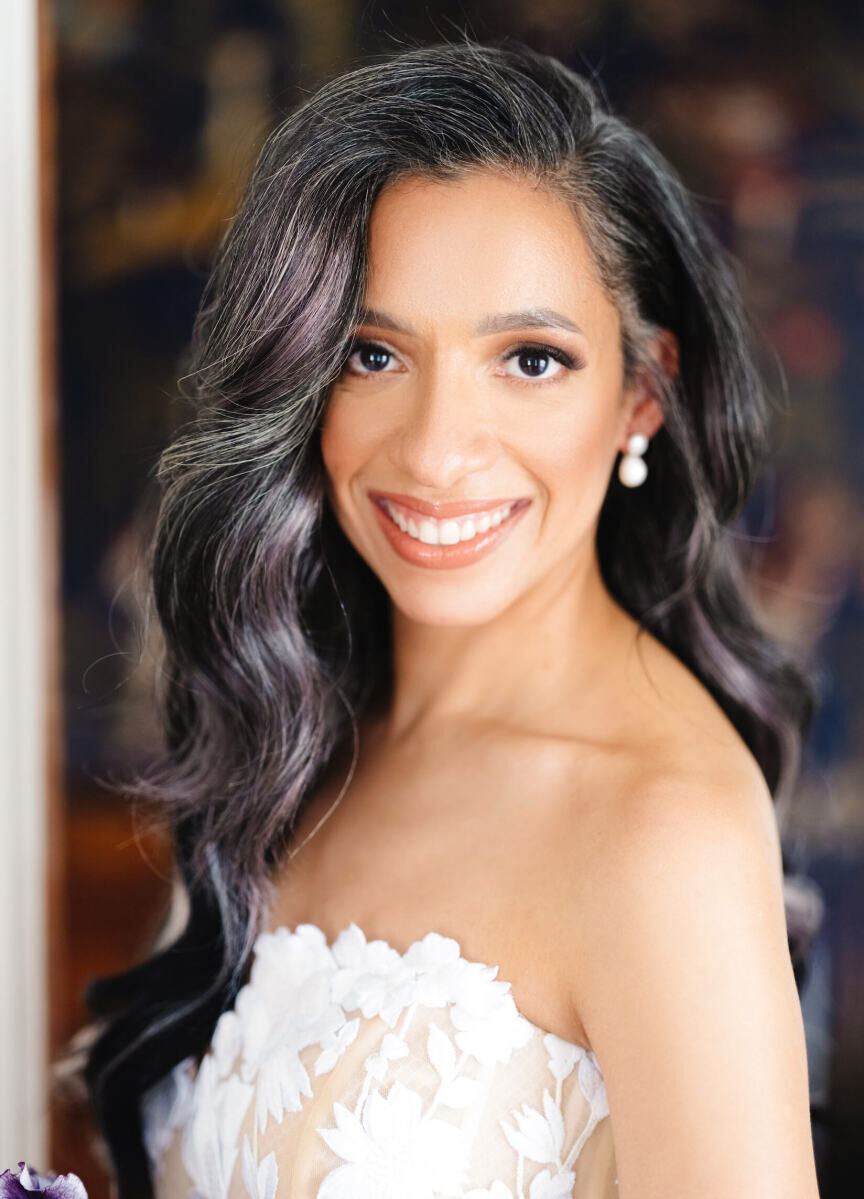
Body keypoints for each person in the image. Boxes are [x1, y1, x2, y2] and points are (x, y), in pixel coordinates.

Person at [67, 37, 821, 1199]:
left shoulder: (661, 827)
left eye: (530, 357)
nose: (434, 451)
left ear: (640, 396)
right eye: (373, 352)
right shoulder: (292, 725)